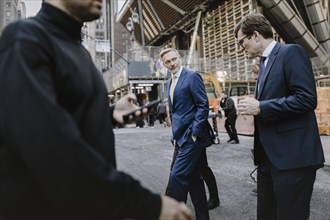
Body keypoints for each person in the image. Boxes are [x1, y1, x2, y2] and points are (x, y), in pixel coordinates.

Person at [0, 1, 193, 220]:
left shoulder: (79, 50)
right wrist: (147, 204)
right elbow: (51, 147)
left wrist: (109, 114)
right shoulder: (25, 38)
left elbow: (67, 113)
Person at [235, 13, 325, 220]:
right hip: (269, 160)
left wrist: (261, 107)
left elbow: (306, 99)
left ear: (256, 35)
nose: (241, 47)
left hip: (293, 159)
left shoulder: (290, 52)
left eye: (242, 41)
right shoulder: (263, 64)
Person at [160, 48, 213, 220]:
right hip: (180, 138)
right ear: (164, 64)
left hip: (191, 137)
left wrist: (195, 133)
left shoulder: (192, 76)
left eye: (174, 59)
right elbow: (175, 112)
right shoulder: (170, 82)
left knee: (177, 177)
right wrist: (174, 136)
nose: (172, 63)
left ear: (180, 58)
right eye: (168, 62)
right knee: (194, 181)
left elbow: (203, 105)